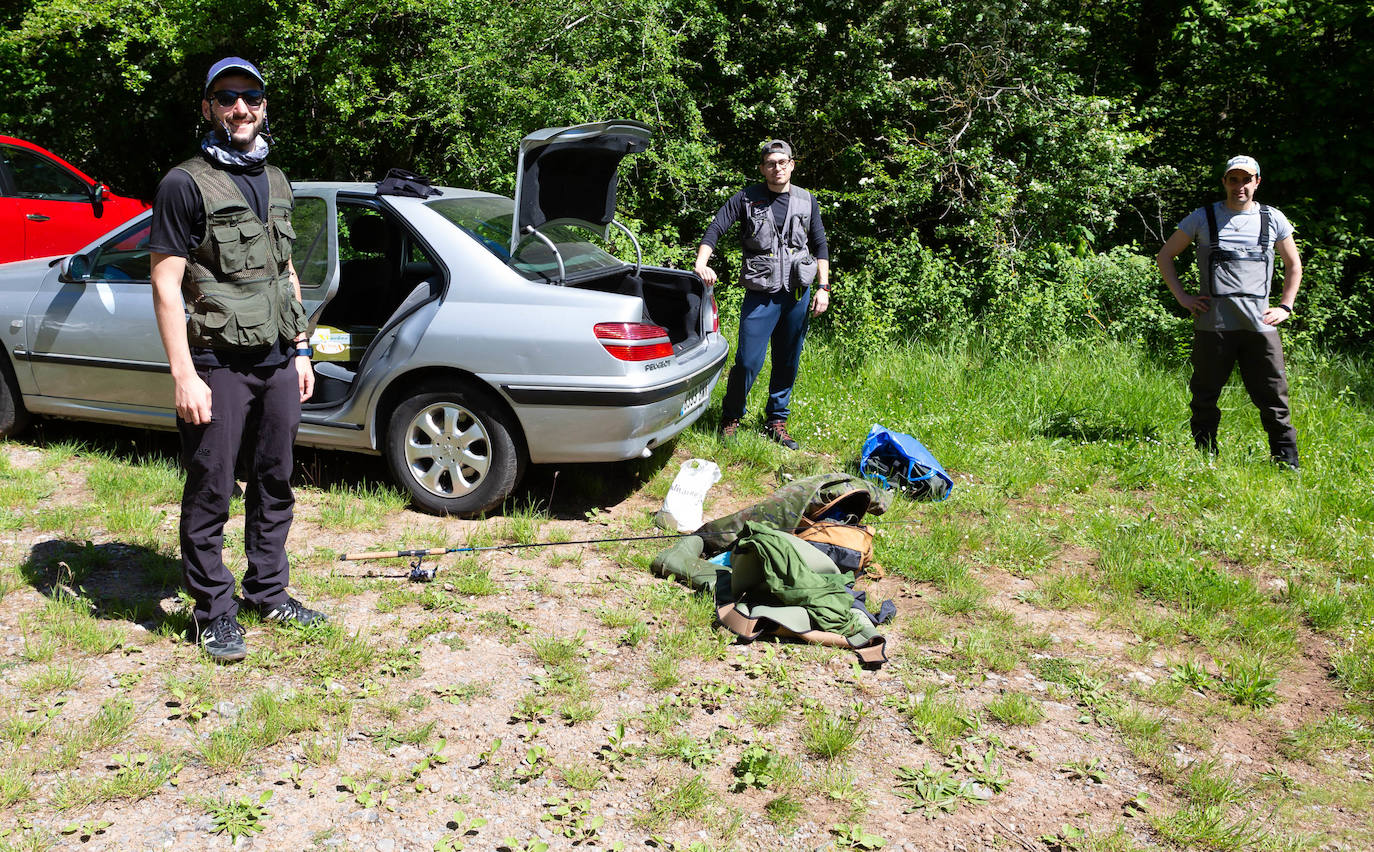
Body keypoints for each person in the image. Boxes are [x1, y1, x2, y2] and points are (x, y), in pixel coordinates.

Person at [150, 56, 325, 662]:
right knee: (212, 487)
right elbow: (165, 285)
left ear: (264, 105)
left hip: (277, 356)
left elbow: (286, 271)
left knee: (274, 480)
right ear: (208, 108)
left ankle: (268, 592)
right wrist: (184, 375)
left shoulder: (277, 180)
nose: (240, 109)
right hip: (215, 363)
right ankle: (212, 612)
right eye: (226, 99)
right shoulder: (183, 183)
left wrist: (301, 349)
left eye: (250, 97)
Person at [1157, 155, 1303, 469]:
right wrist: (1183, 297)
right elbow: (1165, 255)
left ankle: (1286, 462)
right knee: (1205, 393)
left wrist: (1285, 307)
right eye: (1233, 179)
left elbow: (1294, 265)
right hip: (1214, 327)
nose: (1240, 186)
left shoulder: (1273, 219)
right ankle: (1205, 456)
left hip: (1260, 328)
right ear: (1224, 182)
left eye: (1246, 180)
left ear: (1257, 182)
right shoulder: (1203, 217)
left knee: (1275, 397)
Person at [694, 139, 830, 450]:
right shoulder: (746, 198)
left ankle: (776, 421)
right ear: (762, 168)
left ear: (792, 165)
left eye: (783, 162)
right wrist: (701, 263)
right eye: (771, 163)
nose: (777, 168)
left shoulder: (807, 200)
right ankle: (731, 417)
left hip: (798, 292)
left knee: (788, 360)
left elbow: (820, 244)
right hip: (761, 293)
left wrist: (823, 287)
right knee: (747, 360)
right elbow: (716, 228)